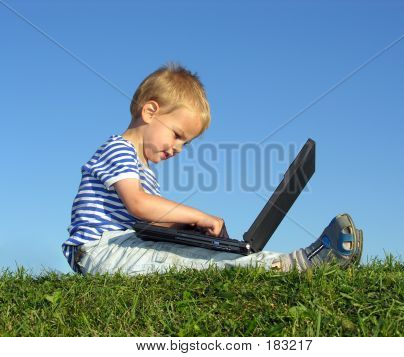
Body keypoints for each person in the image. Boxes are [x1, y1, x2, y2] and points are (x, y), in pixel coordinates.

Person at [62, 63, 363, 276]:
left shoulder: (142, 168)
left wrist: (186, 230)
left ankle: (266, 260)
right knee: (190, 263)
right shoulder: (118, 149)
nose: (178, 148)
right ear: (150, 111)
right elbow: (139, 205)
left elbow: (147, 221)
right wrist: (198, 216)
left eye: (185, 143)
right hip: (100, 251)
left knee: (200, 253)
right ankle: (295, 264)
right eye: (177, 135)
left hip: (125, 244)